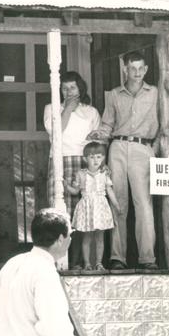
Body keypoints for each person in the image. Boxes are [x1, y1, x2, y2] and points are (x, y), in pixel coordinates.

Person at [87, 51, 159, 270]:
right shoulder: (115, 95)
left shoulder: (155, 93)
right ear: (125, 70)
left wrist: (154, 151)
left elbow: (165, 124)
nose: (136, 73)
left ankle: (148, 258)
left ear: (145, 69)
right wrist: (98, 134)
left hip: (142, 148)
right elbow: (108, 124)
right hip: (117, 147)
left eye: (140, 68)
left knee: (144, 204)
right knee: (118, 203)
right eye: (132, 68)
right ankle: (118, 257)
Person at [0, 208, 87, 336]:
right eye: (69, 235)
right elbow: (52, 322)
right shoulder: (44, 271)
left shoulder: (11, 264)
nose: (70, 240)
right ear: (60, 239)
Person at [44, 71, 100, 269]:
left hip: (83, 162)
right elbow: (56, 132)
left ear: (80, 88)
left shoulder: (91, 112)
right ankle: (59, 262)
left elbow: (96, 143)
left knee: (81, 214)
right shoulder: (52, 108)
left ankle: (77, 262)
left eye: (72, 88)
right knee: (60, 214)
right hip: (59, 161)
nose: (68, 92)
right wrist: (67, 109)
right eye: (64, 88)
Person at [66, 142, 121, 271]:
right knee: (87, 237)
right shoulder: (81, 174)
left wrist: (117, 205)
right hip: (87, 207)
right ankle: (87, 263)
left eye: (99, 157)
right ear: (85, 159)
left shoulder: (104, 173)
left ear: (103, 158)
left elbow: (109, 190)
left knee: (100, 237)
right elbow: (75, 191)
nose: (96, 160)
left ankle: (99, 263)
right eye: (92, 157)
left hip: (101, 207)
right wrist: (66, 186)